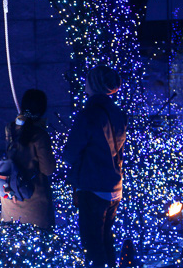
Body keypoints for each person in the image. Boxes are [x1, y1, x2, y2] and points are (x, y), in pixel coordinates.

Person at [63, 65, 127, 267]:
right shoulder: (118, 113)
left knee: (92, 246)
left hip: (93, 186)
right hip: (114, 186)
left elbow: (70, 153)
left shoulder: (89, 114)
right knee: (106, 241)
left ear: (94, 84)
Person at [0, 89, 56, 229]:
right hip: (35, 202)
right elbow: (48, 169)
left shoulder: (10, 129)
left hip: (11, 200)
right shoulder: (40, 135)